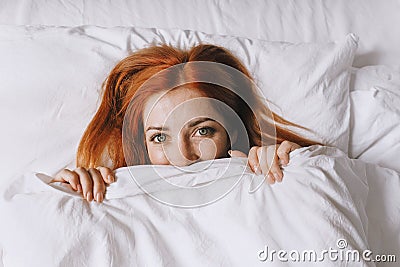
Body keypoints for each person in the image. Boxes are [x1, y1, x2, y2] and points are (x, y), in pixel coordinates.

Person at [51, 44, 318, 203]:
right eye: (159, 138)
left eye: (202, 131)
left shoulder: (272, 177)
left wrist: (299, 167)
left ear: (234, 132)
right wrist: (65, 192)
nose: (183, 157)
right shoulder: (118, 191)